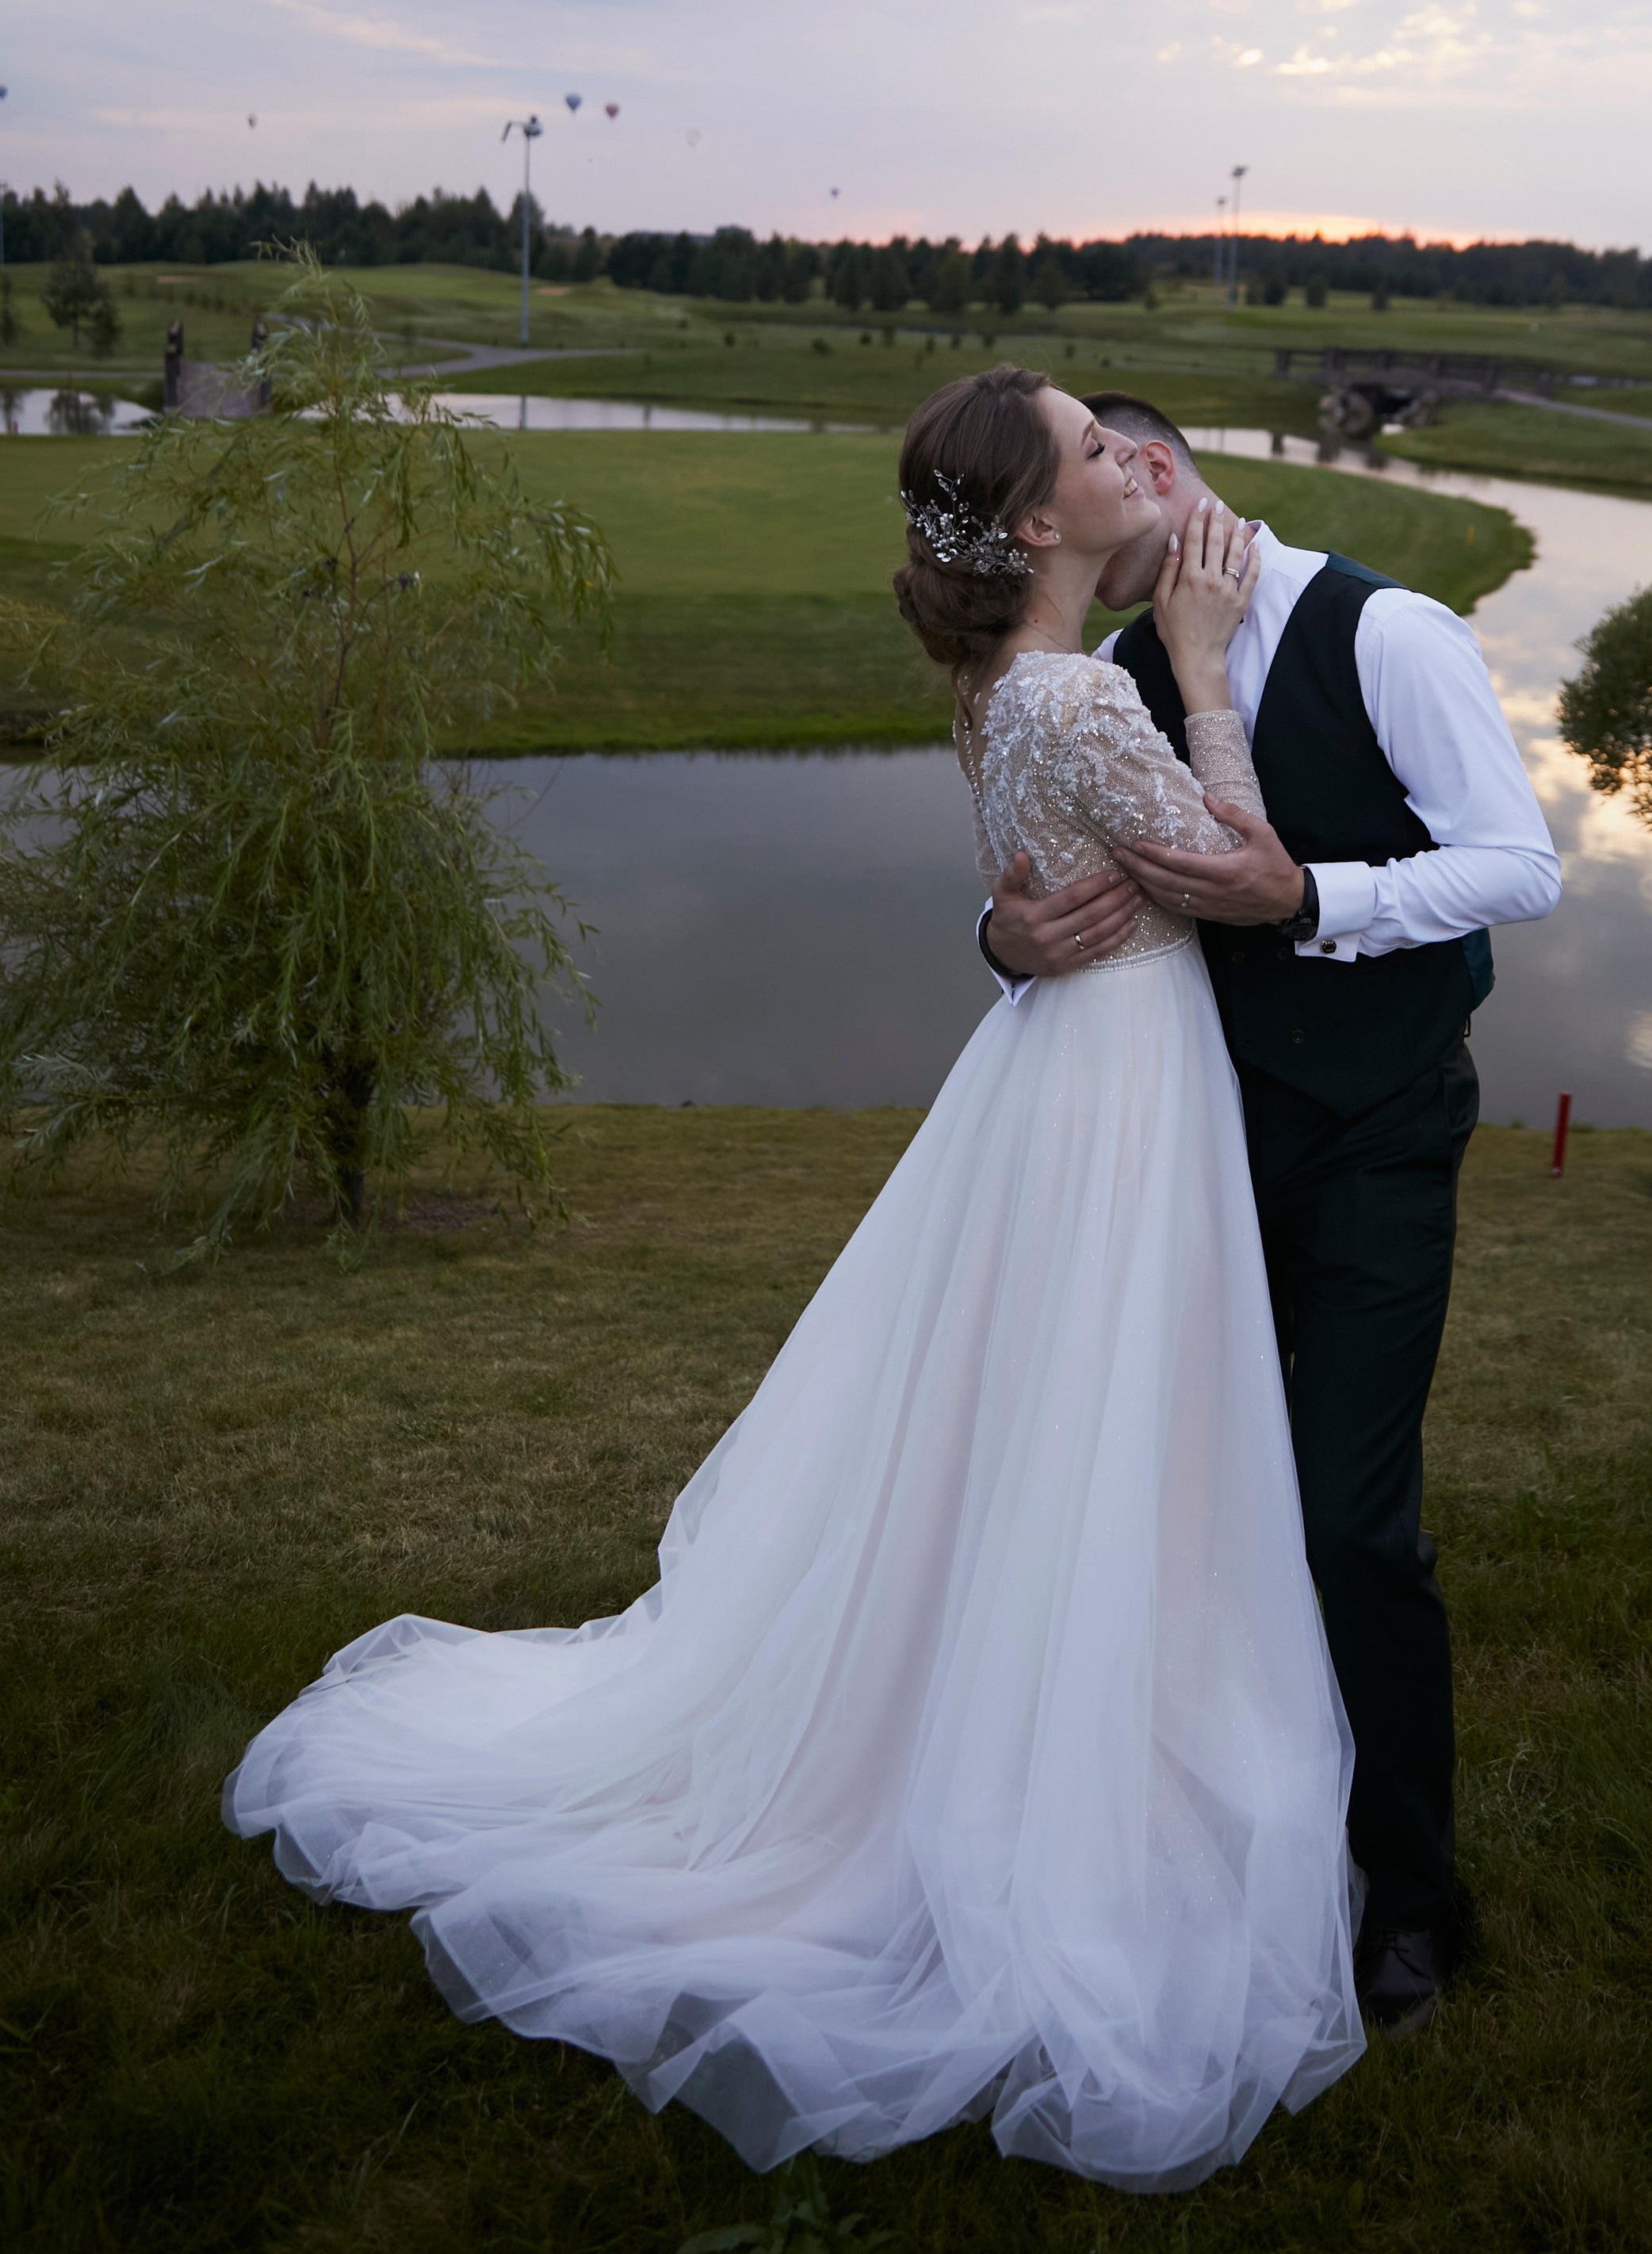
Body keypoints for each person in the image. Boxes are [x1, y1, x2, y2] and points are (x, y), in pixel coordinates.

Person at [224, 365, 1363, 2193]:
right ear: (1033, 525)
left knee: (1036, 1416)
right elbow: (1251, 878)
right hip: (1113, 1086)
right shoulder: (1081, 693)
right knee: (1090, 1409)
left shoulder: (1006, 688)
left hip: (1069, 1076)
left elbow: (1084, 869)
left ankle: (1022, 1694)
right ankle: (1048, 1757)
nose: (1117, 457)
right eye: (1088, 448)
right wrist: (1213, 673)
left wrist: (1031, 899)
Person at [979, 395, 1560, 2034]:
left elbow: (1514, 863)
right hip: (1183, 1140)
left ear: (1148, 475)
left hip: (1375, 1133)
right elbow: (1038, 854)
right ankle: (1209, 1826)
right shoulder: (1116, 676)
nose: (1083, 577)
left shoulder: (1389, 630)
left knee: (1347, 1519)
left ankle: (1412, 1899)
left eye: (1096, 480)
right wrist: (998, 939)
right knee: (1178, 1500)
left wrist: (1317, 899)